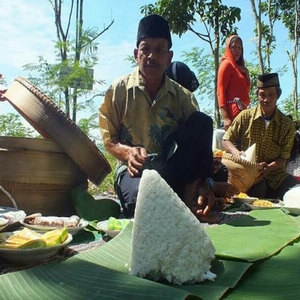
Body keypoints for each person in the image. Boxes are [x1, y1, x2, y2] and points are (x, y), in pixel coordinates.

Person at [99, 14, 237, 223]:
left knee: (202, 122)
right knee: (142, 200)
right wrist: (128, 153)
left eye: (159, 49)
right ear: (137, 54)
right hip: (133, 174)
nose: (152, 56)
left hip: (170, 173)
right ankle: (186, 206)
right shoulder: (118, 91)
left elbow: (196, 148)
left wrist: (201, 184)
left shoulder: (184, 98)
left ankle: (191, 198)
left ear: (169, 57)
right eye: (145, 49)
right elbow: (109, 140)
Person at [222, 73, 298, 199]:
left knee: (295, 193)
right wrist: (236, 153)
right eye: (262, 95)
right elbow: (226, 139)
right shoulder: (245, 116)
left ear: (277, 95)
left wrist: (267, 168)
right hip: (247, 175)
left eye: (271, 95)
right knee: (258, 192)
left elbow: (283, 159)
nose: (266, 99)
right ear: (257, 95)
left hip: (276, 176)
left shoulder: (287, 124)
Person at [217, 35, 251, 130]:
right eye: (234, 47)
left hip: (243, 112)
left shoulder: (240, 68)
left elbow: (246, 90)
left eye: (240, 48)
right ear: (228, 48)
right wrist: (226, 118)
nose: (237, 50)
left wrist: (246, 73)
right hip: (232, 115)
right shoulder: (226, 64)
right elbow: (220, 91)